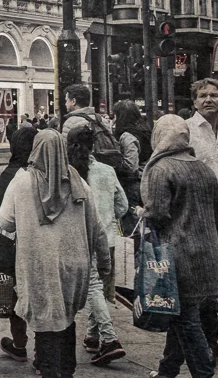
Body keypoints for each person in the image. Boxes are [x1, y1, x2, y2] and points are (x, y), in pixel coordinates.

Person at [0, 130, 107, 378]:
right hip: (75, 264)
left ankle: (49, 370)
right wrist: (105, 264)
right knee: (66, 319)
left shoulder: (22, 181)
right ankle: (67, 371)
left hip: (39, 266)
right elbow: (97, 227)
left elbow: (4, 222)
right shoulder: (78, 180)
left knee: (46, 325)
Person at [142, 114, 218, 378]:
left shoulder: (161, 168)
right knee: (182, 314)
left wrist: (141, 212)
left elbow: (157, 213)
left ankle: (204, 373)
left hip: (179, 256)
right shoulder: (202, 168)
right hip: (208, 254)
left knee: (186, 320)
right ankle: (167, 371)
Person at [66, 123, 128, 366]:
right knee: (99, 287)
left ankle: (110, 338)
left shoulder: (70, 173)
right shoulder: (107, 170)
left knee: (93, 287)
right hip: (109, 237)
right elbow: (122, 205)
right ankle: (92, 336)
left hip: (83, 238)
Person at [186, 78, 218, 359]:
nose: (208, 100)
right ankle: (197, 340)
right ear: (194, 101)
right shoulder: (187, 130)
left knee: (215, 278)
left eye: (214, 95)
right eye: (202, 95)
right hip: (195, 212)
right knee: (198, 278)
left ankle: (210, 339)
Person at [0, 123, 40, 364]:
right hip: (43, 241)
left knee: (17, 294)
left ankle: (20, 343)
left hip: (16, 243)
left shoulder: (10, 174)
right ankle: (43, 349)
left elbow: (4, 218)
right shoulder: (46, 172)